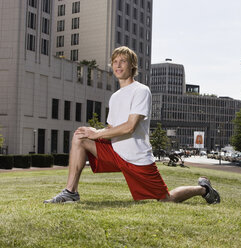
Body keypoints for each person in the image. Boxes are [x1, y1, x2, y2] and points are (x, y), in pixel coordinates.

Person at [44, 46, 220, 204]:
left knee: (166, 199)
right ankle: (70, 192)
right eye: (115, 62)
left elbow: (130, 127)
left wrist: (96, 134)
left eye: (123, 61)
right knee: (80, 136)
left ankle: (204, 189)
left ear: (132, 66)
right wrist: (93, 132)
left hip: (137, 158)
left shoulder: (141, 90)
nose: (118, 65)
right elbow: (111, 129)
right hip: (115, 153)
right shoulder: (115, 97)